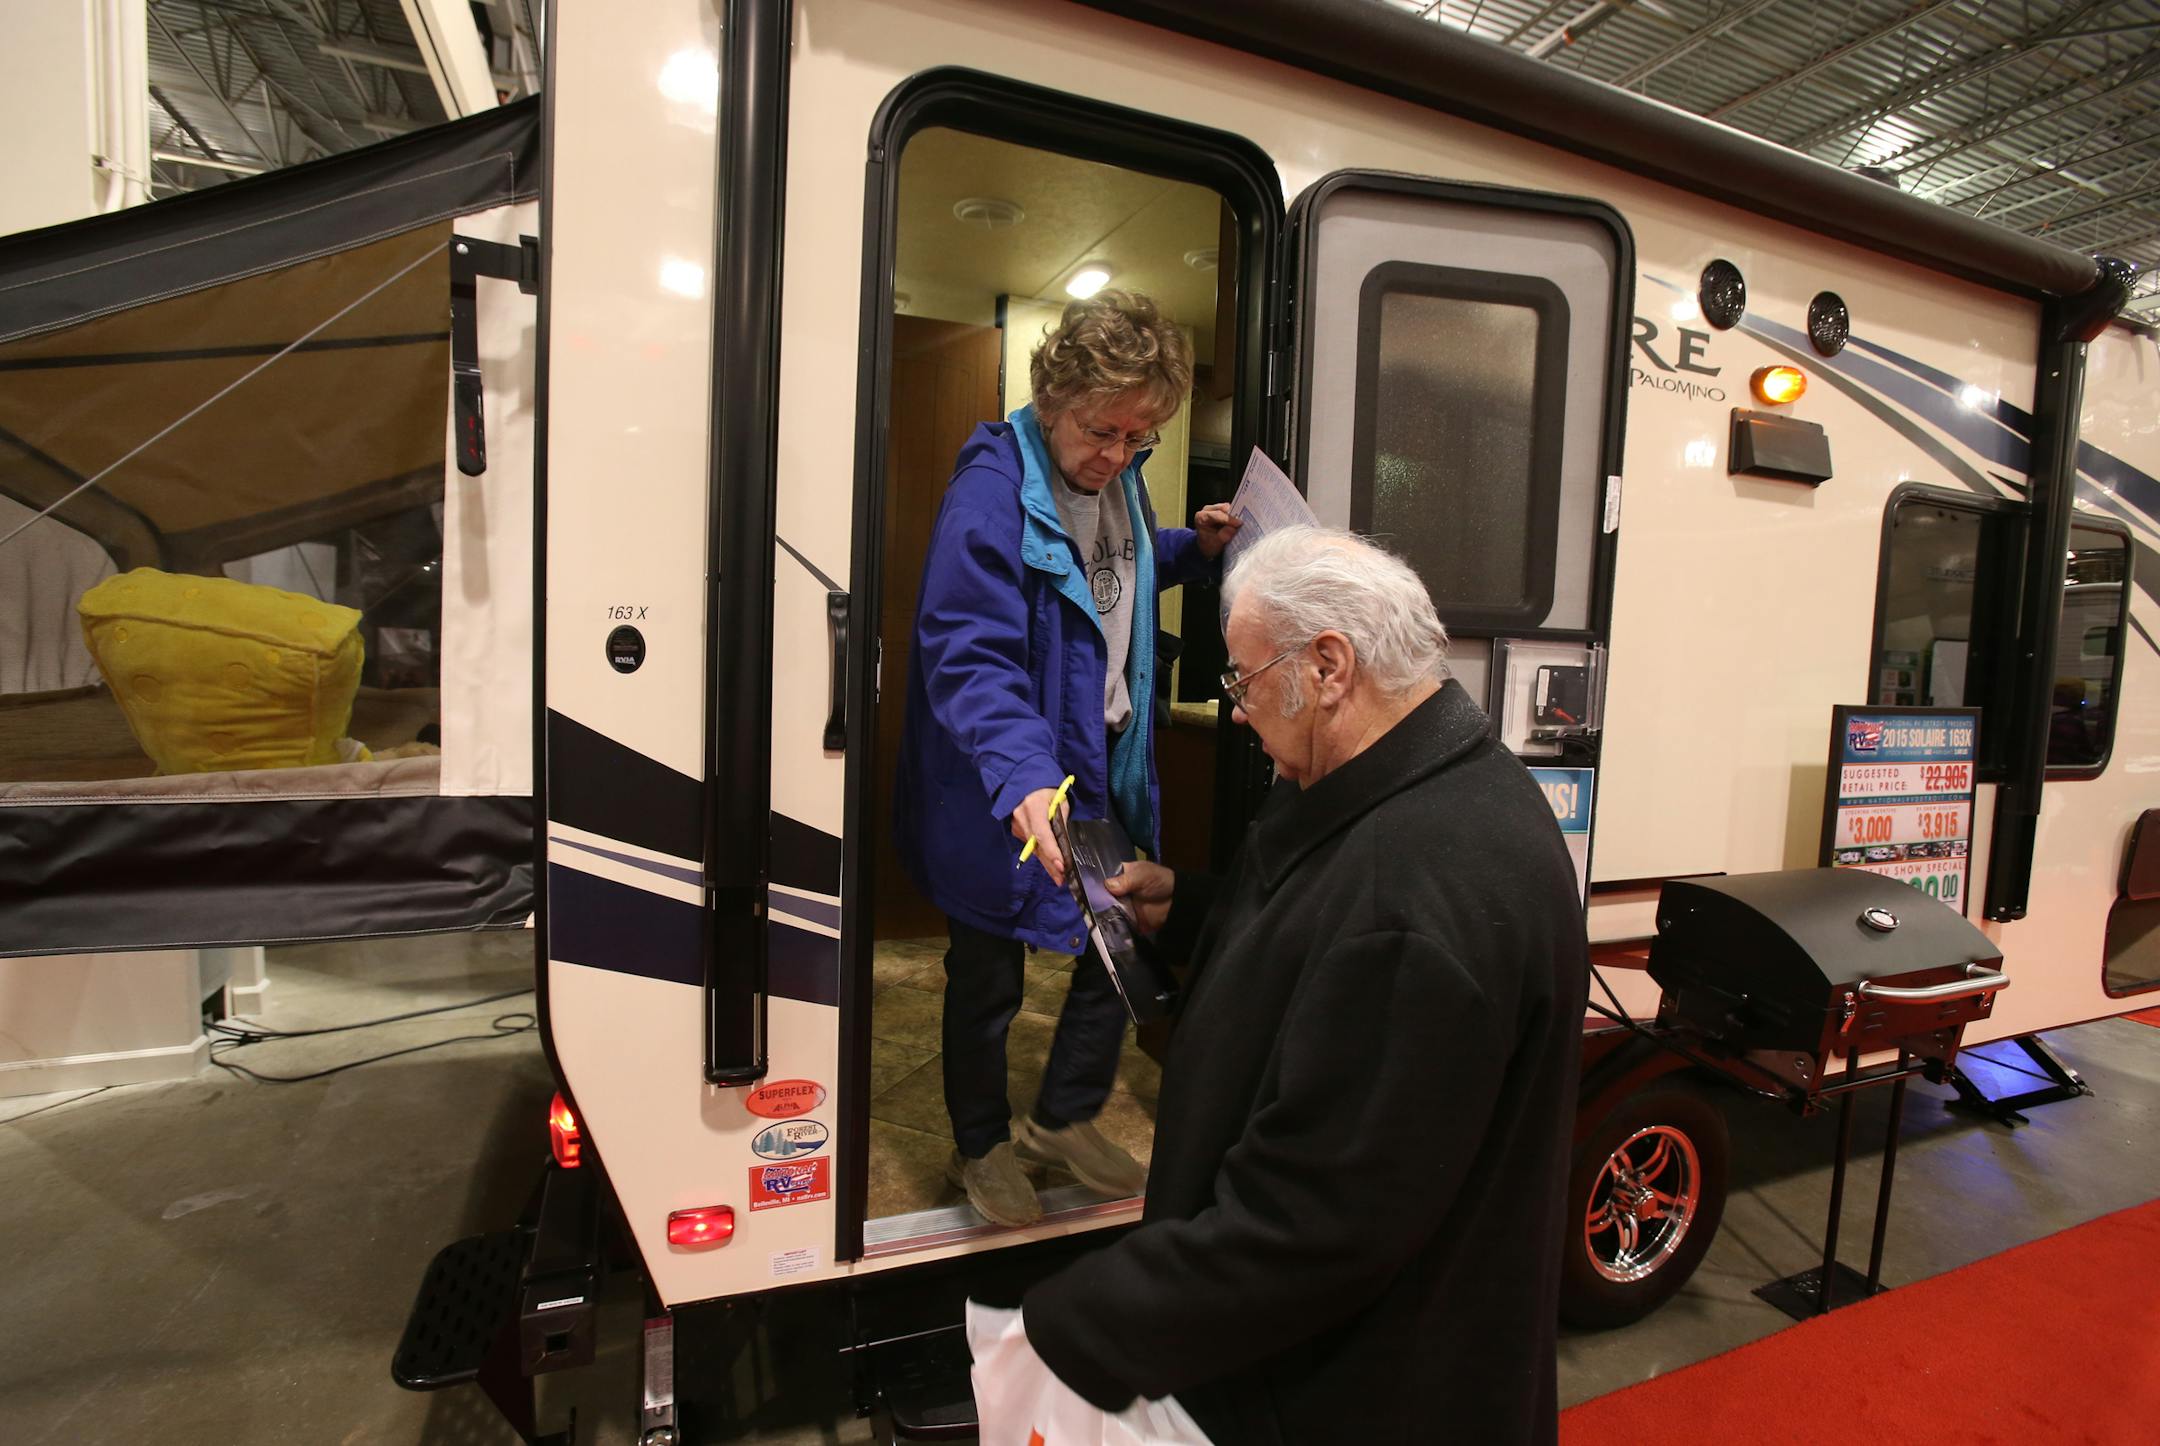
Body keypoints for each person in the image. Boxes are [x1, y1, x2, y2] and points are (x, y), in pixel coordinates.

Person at [1016, 526, 1590, 1444]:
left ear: (1329, 665)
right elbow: (1315, 930)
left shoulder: (1419, 891)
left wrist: (1076, 1326)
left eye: (1242, 680)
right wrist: (1193, 905)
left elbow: (1310, 1227)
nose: (1235, 710)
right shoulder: (1406, 786)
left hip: (1367, 1392)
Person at [892, 290, 1240, 1228]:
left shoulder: (1115, 477)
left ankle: (1064, 1116)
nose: (1118, 455)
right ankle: (980, 1143)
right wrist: (1022, 778)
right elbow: (969, 651)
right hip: (1013, 775)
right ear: (1050, 399)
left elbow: (1110, 570)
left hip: (1103, 756)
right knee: (989, 974)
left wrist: (1192, 551)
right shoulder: (991, 490)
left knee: (1123, 940)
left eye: (1139, 438)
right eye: (1101, 431)